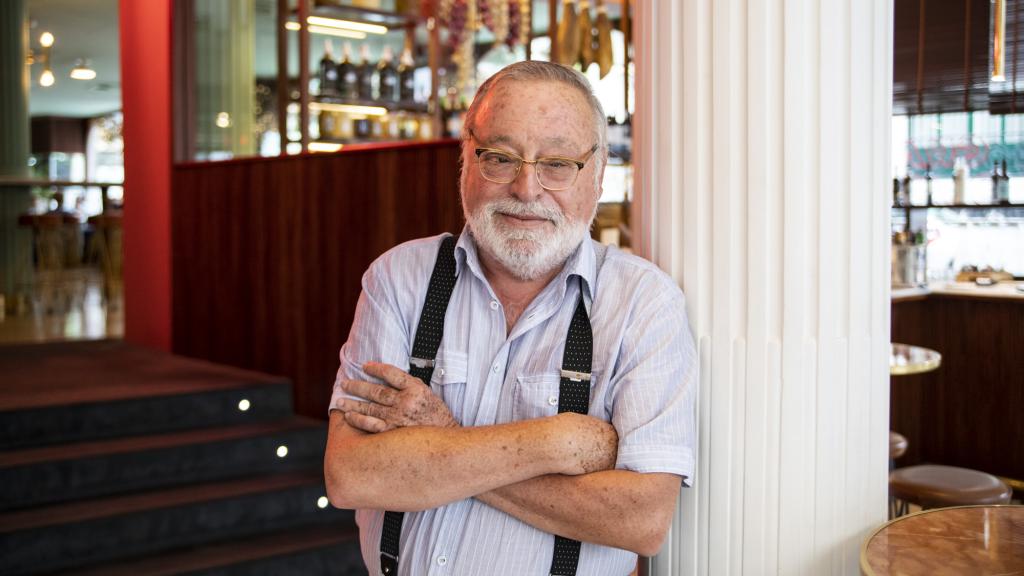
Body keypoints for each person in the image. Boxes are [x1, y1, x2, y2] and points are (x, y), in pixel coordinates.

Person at [324, 60, 696, 576]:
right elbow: (353, 475)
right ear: (466, 160)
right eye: (500, 158)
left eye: (557, 164)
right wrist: (556, 442)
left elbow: (642, 520)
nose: (526, 189)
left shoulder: (643, 303)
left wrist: (441, 433)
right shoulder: (399, 279)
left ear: (599, 175)